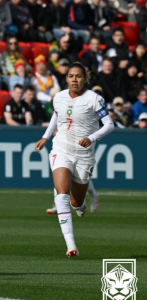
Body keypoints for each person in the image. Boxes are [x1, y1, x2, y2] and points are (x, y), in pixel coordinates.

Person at [35, 62, 114, 257]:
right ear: (66, 78)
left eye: (78, 76)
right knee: (61, 194)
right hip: (61, 149)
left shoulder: (94, 99)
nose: (74, 80)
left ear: (85, 79)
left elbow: (110, 125)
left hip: (84, 155)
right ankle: (71, 245)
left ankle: (81, 205)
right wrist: (46, 136)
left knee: (75, 202)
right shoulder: (59, 97)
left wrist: (92, 137)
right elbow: (56, 115)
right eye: (71, 76)